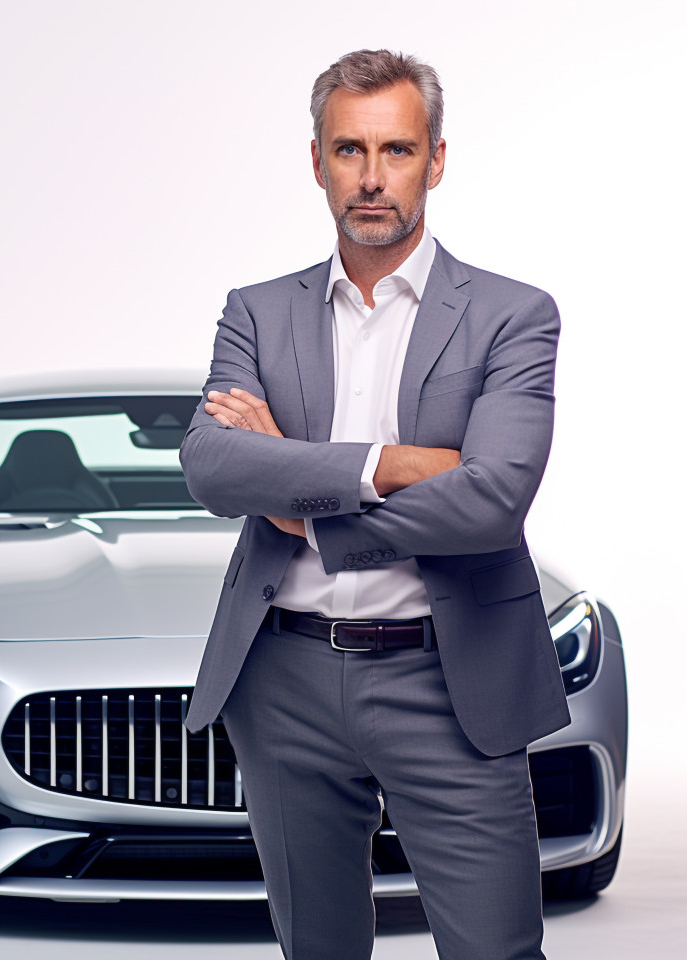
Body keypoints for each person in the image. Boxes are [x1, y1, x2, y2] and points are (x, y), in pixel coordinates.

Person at [178, 48, 572, 960]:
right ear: (316, 161)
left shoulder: (513, 315)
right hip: (283, 681)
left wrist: (309, 504)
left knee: (495, 951)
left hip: (450, 679)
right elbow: (210, 467)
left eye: (395, 150)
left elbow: (493, 500)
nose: (371, 176)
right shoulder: (258, 312)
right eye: (348, 150)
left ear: (435, 160)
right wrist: (390, 464)